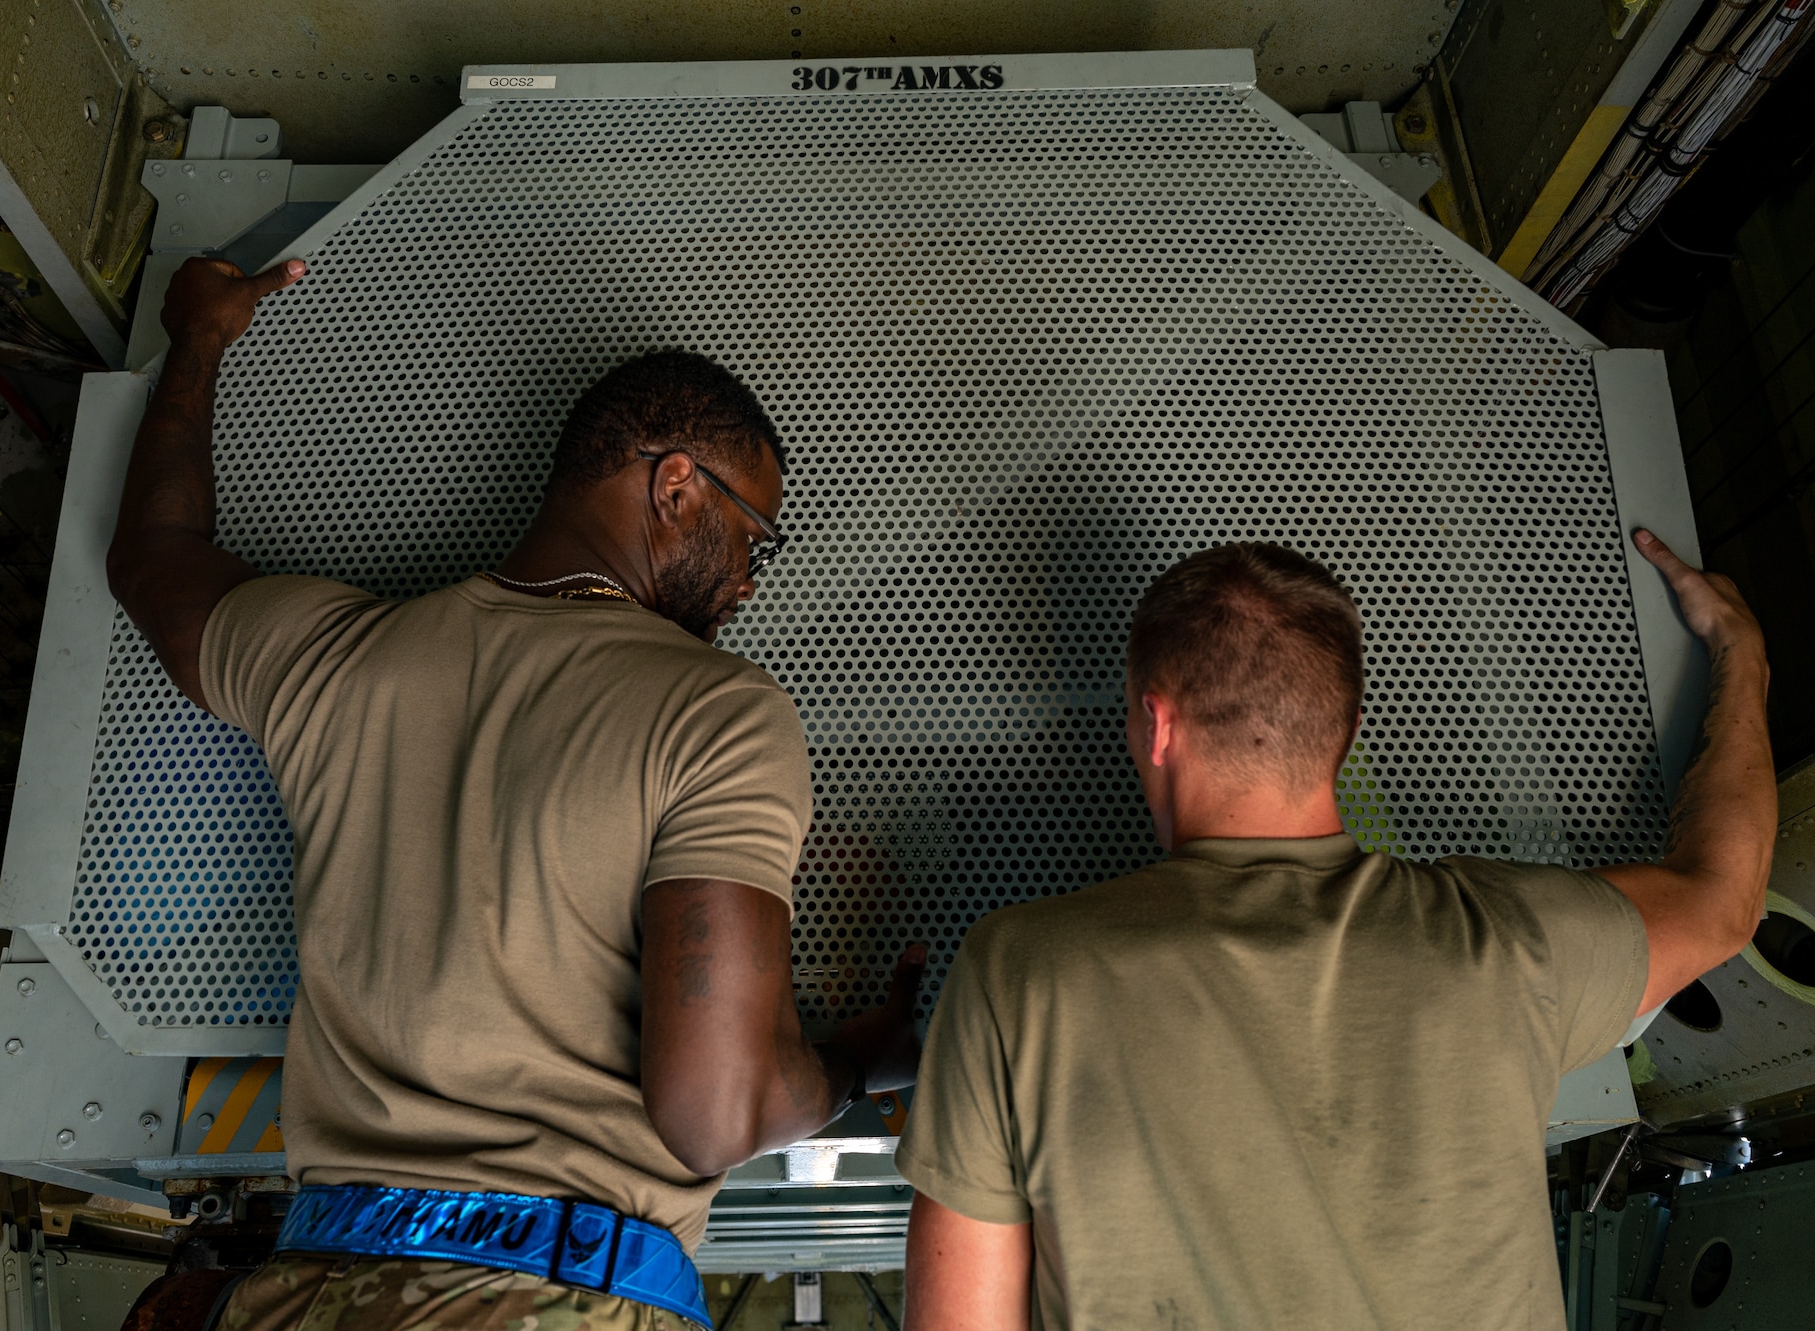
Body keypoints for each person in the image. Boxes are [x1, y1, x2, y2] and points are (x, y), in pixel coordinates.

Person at [106, 257, 924, 1331]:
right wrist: (861, 1058)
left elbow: (153, 557)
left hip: (321, 1271)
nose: (750, 580)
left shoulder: (337, 653)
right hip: (528, 1291)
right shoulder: (716, 709)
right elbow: (711, 1114)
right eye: (752, 533)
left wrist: (199, 339)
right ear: (673, 484)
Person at [897, 537, 1773, 1330]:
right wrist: (1742, 654)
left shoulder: (1013, 972)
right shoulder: (1509, 938)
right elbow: (1724, 899)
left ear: (1156, 725)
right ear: (1346, 733)